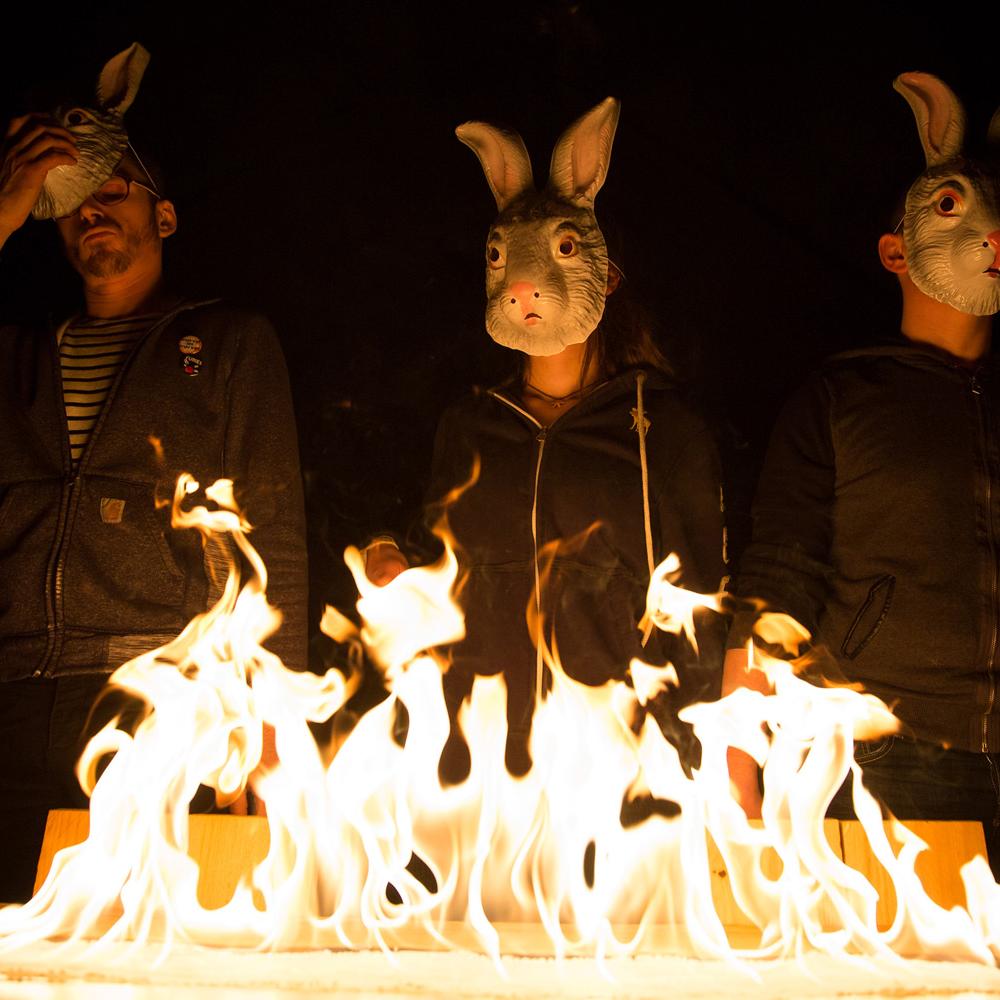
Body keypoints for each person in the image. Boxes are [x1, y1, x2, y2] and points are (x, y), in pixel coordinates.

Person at [366, 98, 725, 784]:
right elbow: (436, 557)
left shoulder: (663, 425)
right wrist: (391, 560)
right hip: (479, 759)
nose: (526, 285)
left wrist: (704, 746)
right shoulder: (472, 423)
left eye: (562, 250)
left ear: (606, 275)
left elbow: (705, 592)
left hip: (624, 760)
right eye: (503, 255)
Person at [0, 107, 307, 901]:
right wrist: (5, 207)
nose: (91, 211)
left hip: (154, 698)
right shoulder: (18, 354)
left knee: (127, 945)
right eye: (70, 201)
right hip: (12, 691)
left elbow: (272, 532)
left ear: (163, 216)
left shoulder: (230, 342)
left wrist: (274, 724)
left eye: (113, 190)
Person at [724, 72, 1000, 873]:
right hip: (886, 752)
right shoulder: (840, 397)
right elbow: (781, 569)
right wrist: (740, 740)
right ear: (895, 250)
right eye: (951, 207)